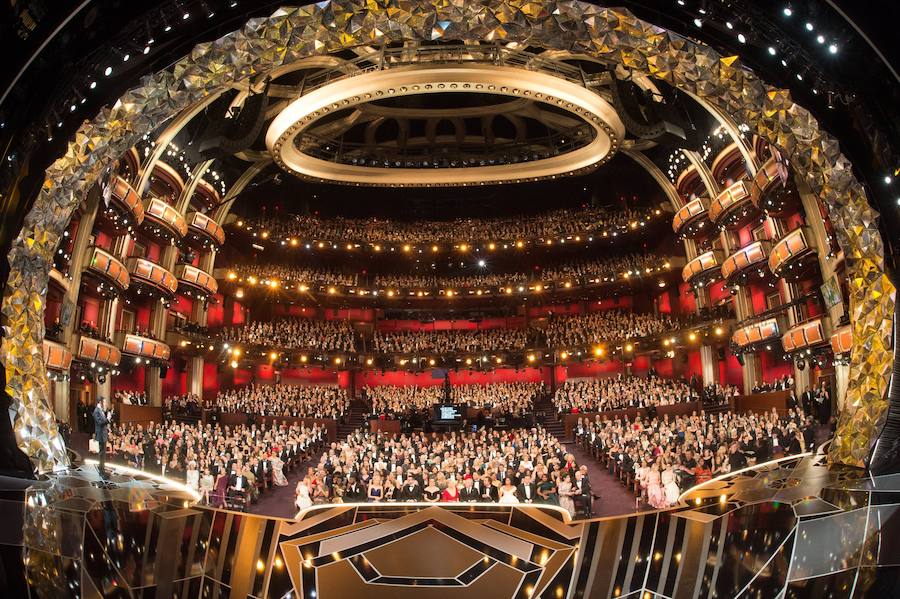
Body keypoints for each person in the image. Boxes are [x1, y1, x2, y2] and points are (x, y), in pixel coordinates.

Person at [93, 397, 110, 471]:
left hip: (103, 434)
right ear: (100, 402)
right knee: (102, 452)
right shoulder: (96, 411)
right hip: (101, 434)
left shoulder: (100, 410)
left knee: (103, 452)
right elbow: (100, 422)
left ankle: (102, 467)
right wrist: (107, 419)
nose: (105, 404)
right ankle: (101, 468)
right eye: (104, 402)